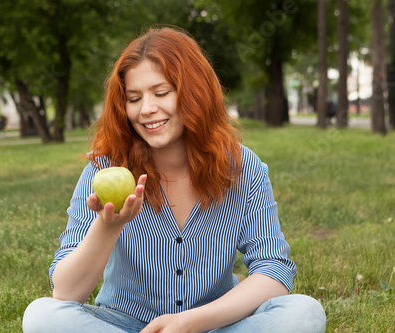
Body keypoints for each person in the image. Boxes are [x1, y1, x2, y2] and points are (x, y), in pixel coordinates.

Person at [23, 26, 326, 333]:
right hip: (126, 325)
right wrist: (107, 225)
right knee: (42, 316)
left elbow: (273, 269)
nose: (147, 109)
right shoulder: (102, 169)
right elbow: (66, 292)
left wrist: (191, 322)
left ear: (194, 92)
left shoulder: (244, 168)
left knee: (304, 313)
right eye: (134, 98)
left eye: (162, 93)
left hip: (214, 324)